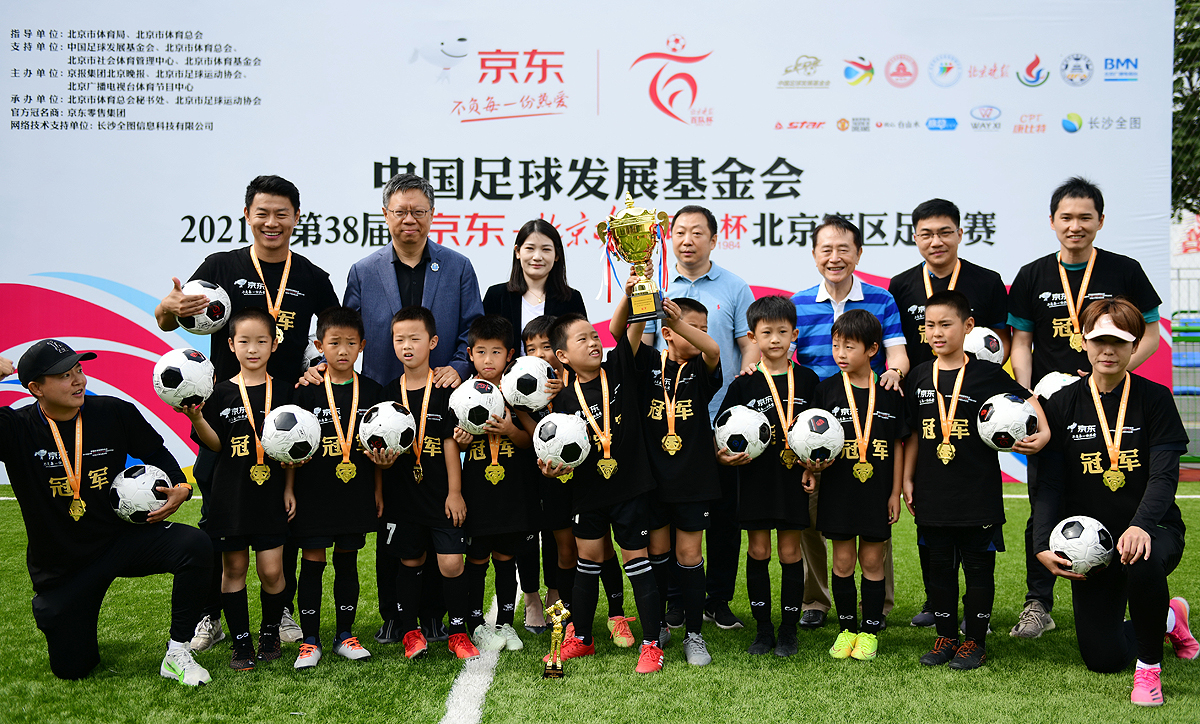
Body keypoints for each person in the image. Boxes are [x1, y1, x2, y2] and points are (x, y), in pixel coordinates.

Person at [155, 175, 339, 650]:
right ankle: (210, 616)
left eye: (282, 214)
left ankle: (283, 614)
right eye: (263, 213)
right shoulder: (220, 266)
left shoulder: (312, 277)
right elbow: (170, 318)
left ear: (296, 218)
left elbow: (332, 334)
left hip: (287, 413)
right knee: (219, 517)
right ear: (247, 215)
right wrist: (167, 307)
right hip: (227, 407)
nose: (271, 222)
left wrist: (320, 365)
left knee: (286, 517)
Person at [0, 341, 211, 685]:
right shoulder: (15, 428)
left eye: (79, 370)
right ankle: (62, 615)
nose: (78, 380)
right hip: (64, 565)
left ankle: (177, 652)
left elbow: (157, 453)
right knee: (73, 668)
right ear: (36, 388)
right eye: (64, 375)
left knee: (195, 545)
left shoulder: (113, 412)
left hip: (120, 541)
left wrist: (181, 487)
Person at [1008, 177, 1163, 639]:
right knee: (1044, 500)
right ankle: (1038, 603)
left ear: (1100, 221)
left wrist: (1111, 371)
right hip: (1052, 410)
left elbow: (1151, 334)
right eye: (1066, 217)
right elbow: (1021, 341)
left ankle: (1129, 583)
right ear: (1052, 221)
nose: (1075, 226)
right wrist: (1028, 396)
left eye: (1085, 217)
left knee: (1115, 491)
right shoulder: (1033, 274)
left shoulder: (1125, 270)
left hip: (1113, 402)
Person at [1034, 298, 1197, 706]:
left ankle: (1149, 669)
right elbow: (1049, 485)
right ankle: (1168, 617)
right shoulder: (1062, 403)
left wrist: (1141, 525)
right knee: (1103, 659)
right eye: (1099, 340)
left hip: (1154, 529)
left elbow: (1164, 476)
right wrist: (1041, 543)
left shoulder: (1155, 398)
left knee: (1141, 557)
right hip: (1092, 545)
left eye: (1120, 341)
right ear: (1084, 342)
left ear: (1134, 345)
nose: (1108, 350)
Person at [342, 173, 483, 646]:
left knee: (439, 509)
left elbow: (471, 329)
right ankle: (394, 616)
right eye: (400, 211)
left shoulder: (457, 266)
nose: (409, 219)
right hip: (384, 400)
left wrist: (458, 367)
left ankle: (437, 614)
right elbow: (349, 334)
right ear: (385, 215)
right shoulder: (364, 271)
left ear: (431, 215)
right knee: (393, 516)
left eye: (419, 211)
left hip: (438, 396)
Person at [902, 291, 1049, 670]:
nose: (936, 333)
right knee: (939, 571)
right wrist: (906, 479)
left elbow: (1029, 401)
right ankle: (946, 637)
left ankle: (975, 642)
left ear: (968, 326)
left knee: (979, 570)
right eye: (930, 325)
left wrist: (1044, 433)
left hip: (977, 492)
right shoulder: (919, 374)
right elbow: (913, 434)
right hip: (932, 491)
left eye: (945, 324)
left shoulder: (987, 374)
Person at [888, 198, 1010, 627]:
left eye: (944, 232)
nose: (935, 241)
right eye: (926, 234)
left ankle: (976, 617)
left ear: (960, 233)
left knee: (971, 505)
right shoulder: (901, 285)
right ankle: (935, 604)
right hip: (923, 401)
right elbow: (897, 343)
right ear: (915, 237)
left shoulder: (987, 281)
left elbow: (1001, 342)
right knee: (932, 512)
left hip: (971, 402)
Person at [789, 214, 907, 630]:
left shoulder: (881, 299)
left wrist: (894, 372)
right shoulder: (799, 303)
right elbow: (782, 354)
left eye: (844, 249)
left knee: (873, 517)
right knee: (814, 517)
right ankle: (816, 600)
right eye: (826, 249)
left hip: (869, 418)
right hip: (817, 422)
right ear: (814, 255)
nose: (835, 257)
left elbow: (897, 352)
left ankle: (879, 607)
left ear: (858, 254)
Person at [643, 205, 757, 631]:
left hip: (722, 418)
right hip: (672, 420)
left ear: (713, 239)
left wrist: (749, 369)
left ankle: (718, 600)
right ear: (669, 239)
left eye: (697, 232)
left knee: (725, 517)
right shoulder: (655, 285)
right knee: (674, 518)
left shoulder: (735, 286)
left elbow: (746, 342)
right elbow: (646, 347)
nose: (687, 240)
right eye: (679, 232)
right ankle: (676, 601)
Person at [538, 291, 665, 674]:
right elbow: (561, 455)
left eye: (595, 336)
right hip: (588, 492)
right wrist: (555, 469)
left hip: (630, 488)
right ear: (563, 356)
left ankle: (651, 644)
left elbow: (632, 326)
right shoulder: (563, 401)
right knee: (588, 560)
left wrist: (633, 292)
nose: (593, 342)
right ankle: (583, 638)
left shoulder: (620, 367)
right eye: (583, 339)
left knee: (636, 560)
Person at [482, 221, 589, 634]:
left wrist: (566, 381)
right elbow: (492, 349)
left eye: (546, 248)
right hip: (514, 410)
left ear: (556, 255)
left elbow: (578, 347)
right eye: (529, 248)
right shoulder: (498, 295)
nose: (537, 256)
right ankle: (530, 598)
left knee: (559, 517)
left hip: (558, 414)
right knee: (526, 517)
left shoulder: (570, 298)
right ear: (517, 252)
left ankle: (556, 592)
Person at [179, 307, 296, 671]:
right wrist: (198, 418)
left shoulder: (285, 391)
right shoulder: (219, 393)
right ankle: (241, 642)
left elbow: (295, 449)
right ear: (231, 345)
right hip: (230, 497)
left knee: (272, 571)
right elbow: (215, 445)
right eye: (244, 341)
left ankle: (270, 633)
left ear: (274, 344)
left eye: (261, 341)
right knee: (234, 570)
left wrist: (290, 488)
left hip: (271, 496)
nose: (253, 349)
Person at [288, 307, 391, 669]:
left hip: (356, 492)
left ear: (362, 346)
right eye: (334, 343)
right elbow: (290, 447)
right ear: (319, 346)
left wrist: (378, 490)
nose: (343, 350)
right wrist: (289, 489)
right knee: (313, 561)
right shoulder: (306, 391)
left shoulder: (373, 392)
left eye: (350, 343)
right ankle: (310, 641)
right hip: (313, 492)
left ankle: (345, 635)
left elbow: (377, 448)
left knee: (347, 561)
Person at [717, 295, 820, 657]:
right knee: (758, 550)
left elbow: (820, 432)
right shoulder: (743, 384)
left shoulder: (807, 380)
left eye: (782, 332)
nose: (775, 339)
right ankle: (763, 631)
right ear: (752, 337)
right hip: (755, 480)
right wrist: (723, 455)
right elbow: (722, 432)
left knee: (790, 552)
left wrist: (814, 467)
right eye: (766, 333)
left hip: (793, 479)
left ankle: (788, 630)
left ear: (794, 334)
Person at [378, 306, 480, 662]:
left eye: (415, 338)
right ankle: (410, 632)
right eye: (399, 339)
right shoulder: (387, 394)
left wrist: (455, 492)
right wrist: (382, 463)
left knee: (451, 563)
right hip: (403, 496)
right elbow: (378, 447)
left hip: (441, 495)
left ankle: (458, 633)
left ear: (433, 342)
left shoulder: (446, 391)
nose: (407, 346)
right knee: (410, 560)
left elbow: (451, 443)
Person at [515, 316, 627, 638]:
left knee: (602, 547)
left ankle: (617, 615)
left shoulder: (578, 379)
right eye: (531, 348)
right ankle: (571, 619)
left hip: (589, 480)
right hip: (554, 481)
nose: (540, 354)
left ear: (560, 351)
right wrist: (522, 409)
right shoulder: (524, 389)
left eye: (546, 347)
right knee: (566, 551)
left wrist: (562, 389)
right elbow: (535, 435)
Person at [808, 310, 909, 662]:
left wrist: (895, 493)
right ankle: (847, 630)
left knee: (872, 561)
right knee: (842, 562)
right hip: (838, 492)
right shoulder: (826, 390)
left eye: (849, 346)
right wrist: (813, 466)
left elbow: (898, 445)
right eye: (836, 345)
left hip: (877, 492)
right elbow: (811, 439)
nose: (840, 353)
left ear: (872, 350)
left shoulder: (890, 392)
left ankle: (869, 632)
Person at [634, 296, 722, 666]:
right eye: (691, 328)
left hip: (693, 480)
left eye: (702, 328)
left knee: (689, 555)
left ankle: (695, 635)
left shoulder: (701, 368)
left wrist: (681, 324)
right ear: (667, 334)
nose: (699, 334)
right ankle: (658, 627)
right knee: (657, 553)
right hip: (653, 480)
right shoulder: (648, 365)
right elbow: (628, 343)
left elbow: (713, 349)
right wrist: (641, 300)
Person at [451, 315, 533, 653]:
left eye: (496, 352)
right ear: (470, 354)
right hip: (477, 492)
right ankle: (475, 624)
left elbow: (530, 441)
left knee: (506, 556)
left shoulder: (518, 392)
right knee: (477, 558)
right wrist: (462, 440)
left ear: (509, 355)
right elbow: (452, 443)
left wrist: (510, 430)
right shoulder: (461, 395)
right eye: (481, 352)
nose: (488, 360)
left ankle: (505, 624)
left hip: (511, 492)